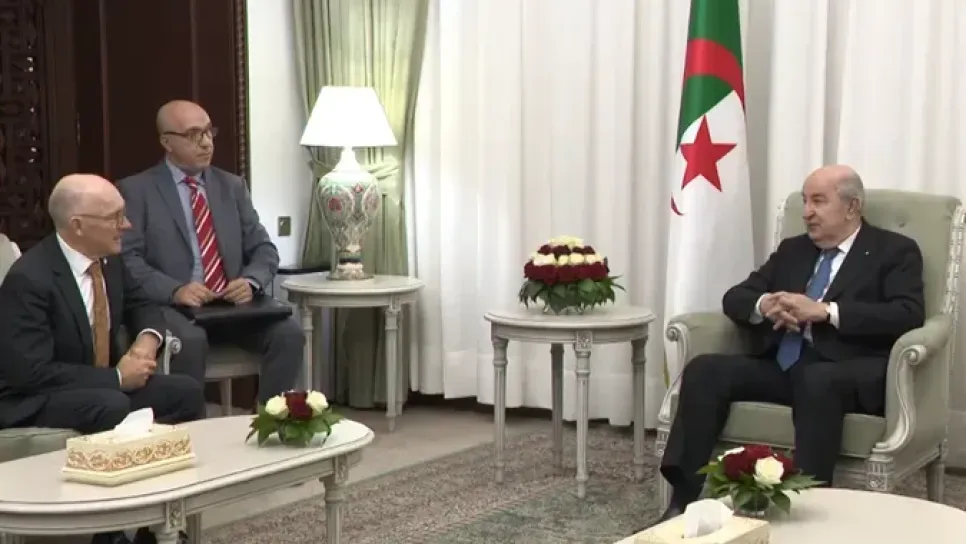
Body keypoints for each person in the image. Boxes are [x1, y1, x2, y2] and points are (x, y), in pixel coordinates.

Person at [655, 165, 925, 523]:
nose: (807, 212)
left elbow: (907, 314)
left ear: (852, 207)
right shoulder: (794, 250)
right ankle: (683, 502)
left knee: (817, 381)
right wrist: (763, 305)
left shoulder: (893, 251)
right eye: (805, 201)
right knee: (706, 369)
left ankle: (809, 508)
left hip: (846, 371)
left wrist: (826, 312)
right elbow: (736, 296)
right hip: (783, 366)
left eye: (818, 201)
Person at [0, 174, 205, 544]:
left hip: (98, 385)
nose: (127, 225)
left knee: (185, 392)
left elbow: (143, 305)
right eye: (115, 217)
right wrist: (116, 379)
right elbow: (29, 373)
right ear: (78, 225)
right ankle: (108, 534)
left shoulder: (110, 261)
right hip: (31, 397)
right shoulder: (29, 279)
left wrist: (148, 341)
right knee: (110, 403)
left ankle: (160, 526)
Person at [117, 100, 304, 404]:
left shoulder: (232, 186)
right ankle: (191, 425)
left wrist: (251, 281)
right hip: (173, 306)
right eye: (193, 135)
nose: (206, 143)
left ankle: (272, 420)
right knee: (190, 341)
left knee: (289, 333)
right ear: (167, 142)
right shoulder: (137, 190)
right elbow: (127, 259)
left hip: (231, 305)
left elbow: (264, 249)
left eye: (208, 132)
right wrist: (175, 290)